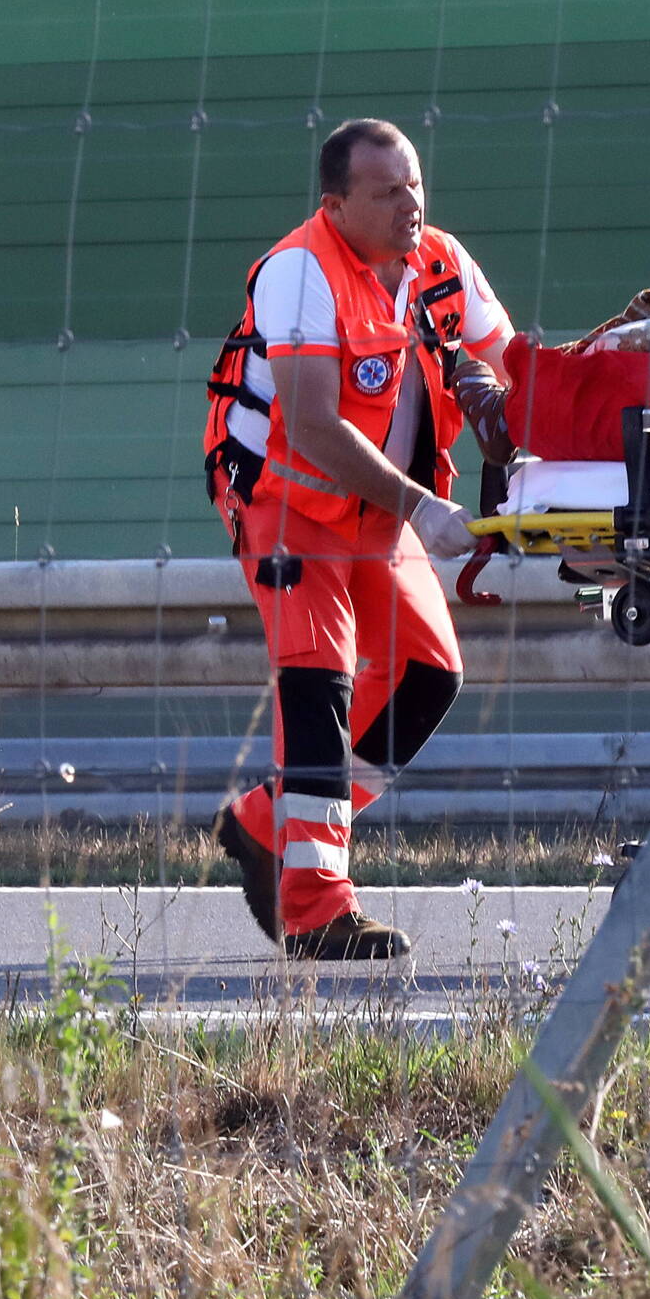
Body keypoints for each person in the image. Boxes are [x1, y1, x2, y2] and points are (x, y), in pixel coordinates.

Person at [200, 118, 514, 959]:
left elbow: (511, 357)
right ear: (336, 204)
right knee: (318, 690)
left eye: (415, 185)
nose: (410, 205)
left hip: (378, 511)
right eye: (387, 192)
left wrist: (509, 415)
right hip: (285, 501)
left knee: (429, 678)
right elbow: (307, 421)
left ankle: (268, 821)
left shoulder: (442, 262)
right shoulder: (300, 270)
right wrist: (419, 506)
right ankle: (316, 913)